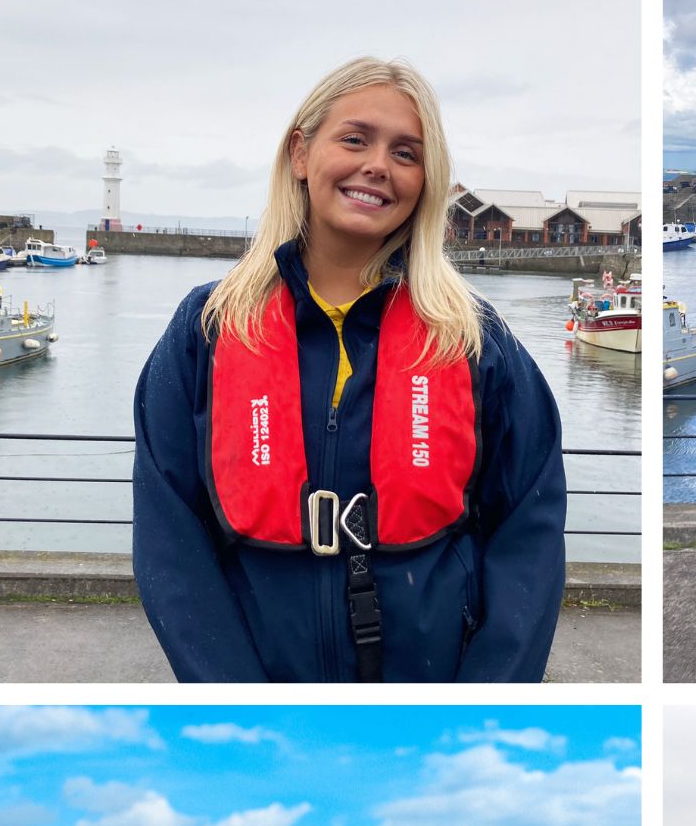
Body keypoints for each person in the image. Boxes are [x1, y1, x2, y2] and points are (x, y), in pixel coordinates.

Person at [131, 58, 566, 683]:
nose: (378, 166)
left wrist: (482, 711)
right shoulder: (209, 329)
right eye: (355, 139)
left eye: (407, 153)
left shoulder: (474, 341)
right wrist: (237, 709)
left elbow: (531, 530)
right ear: (301, 154)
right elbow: (169, 541)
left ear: (427, 180)